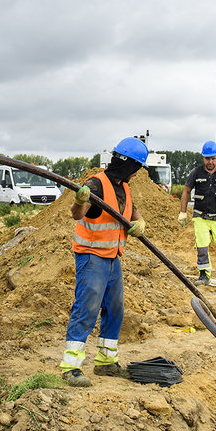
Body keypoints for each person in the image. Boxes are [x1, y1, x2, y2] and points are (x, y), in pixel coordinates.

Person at [60, 137, 148, 387]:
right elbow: (76, 215)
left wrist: (140, 222)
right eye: (137, 168)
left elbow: (131, 212)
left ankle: (106, 362)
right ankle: (71, 367)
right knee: (86, 308)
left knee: (115, 309)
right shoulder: (96, 184)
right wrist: (79, 200)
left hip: (112, 258)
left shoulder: (123, 187)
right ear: (131, 165)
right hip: (91, 256)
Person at [176, 140, 216, 286]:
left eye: (213, 158)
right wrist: (183, 212)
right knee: (202, 245)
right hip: (200, 216)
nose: (210, 161)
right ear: (203, 157)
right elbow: (186, 191)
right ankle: (204, 274)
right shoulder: (196, 172)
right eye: (207, 158)